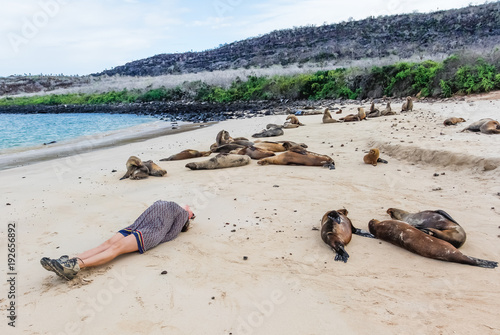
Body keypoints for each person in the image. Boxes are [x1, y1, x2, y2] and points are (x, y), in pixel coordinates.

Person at [41, 200, 195, 280]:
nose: (191, 209)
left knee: (115, 249)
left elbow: (171, 234)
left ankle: (75, 266)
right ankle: (67, 261)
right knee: (106, 244)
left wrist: (186, 217)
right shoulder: (169, 205)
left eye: (191, 213)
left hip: (149, 232)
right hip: (136, 225)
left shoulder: (182, 215)